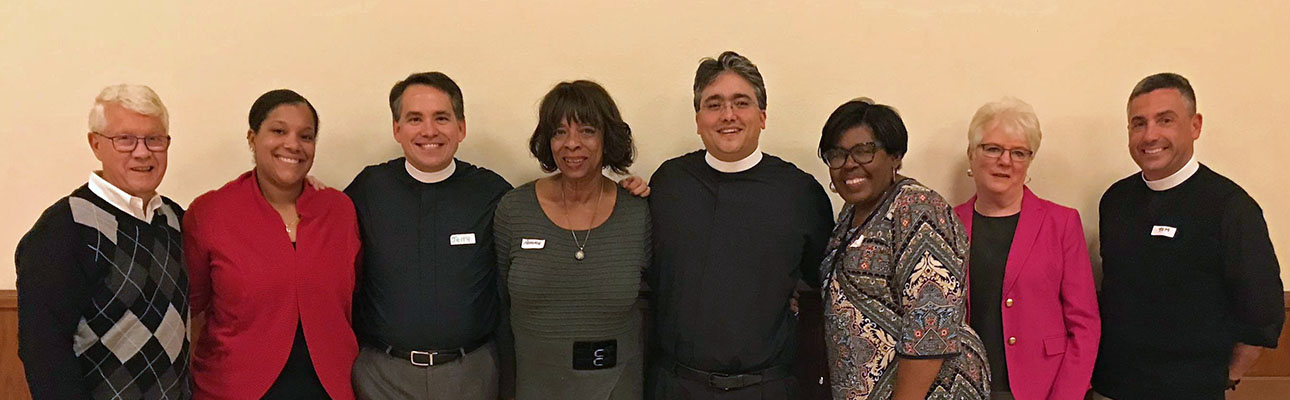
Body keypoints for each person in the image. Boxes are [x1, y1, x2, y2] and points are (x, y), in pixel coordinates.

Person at [646, 50, 834, 399]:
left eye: (741, 102)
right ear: (698, 119)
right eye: (713, 104)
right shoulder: (669, 184)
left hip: (767, 387)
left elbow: (822, 284)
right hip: (677, 386)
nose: (728, 115)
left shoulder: (799, 192)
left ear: (762, 116)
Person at [1091, 73, 1283, 400]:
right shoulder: (1115, 201)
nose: (1150, 135)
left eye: (1165, 120)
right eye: (1139, 123)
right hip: (1113, 388)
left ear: (1195, 126)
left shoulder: (1230, 207)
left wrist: (1222, 379)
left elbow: (1261, 317)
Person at [344, 72, 514, 400]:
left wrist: (621, 188)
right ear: (396, 129)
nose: (429, 131)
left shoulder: (491, 192)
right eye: (414, 119)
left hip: (471, 375)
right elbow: (320, 226)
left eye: (441, 118)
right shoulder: (369, 188)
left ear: (461, 127)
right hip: (382, 377)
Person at [16, 84, 190, 399]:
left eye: (154, 139)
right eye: (125, 139)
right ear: (95, 144)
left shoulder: (176, 221)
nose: (142, 151)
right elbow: (43, 350)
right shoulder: (64, 228)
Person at [184, 89, 361, 399]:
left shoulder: (340, 210)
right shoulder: (211, 213)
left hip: (329, 387)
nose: (292, 144)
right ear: (252, 138)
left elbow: (353, 299)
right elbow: (193, 311)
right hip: (233, 388)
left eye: (305, 136)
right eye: (278, 131)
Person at [817, 98, 990, 400]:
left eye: (864, 151)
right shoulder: (849, 214)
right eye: (837, 154)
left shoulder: (920, 210)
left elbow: (930, 330)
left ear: (895, 155)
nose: (849, 164)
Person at [494, 80, 650, 399]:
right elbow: (497, 307)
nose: (572, 144)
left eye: (587, 131)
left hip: (616, 389)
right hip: (532, 390)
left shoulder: (638, 213)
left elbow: (653, 308)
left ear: (608, 138)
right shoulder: (514, 209)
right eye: (559, 132)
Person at [953, 98, 1099, 400]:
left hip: (1043, 390)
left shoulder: (1062, 223)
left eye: (1018, 152)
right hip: (964, 389)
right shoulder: (948, 223)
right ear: (971, 154)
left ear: (1029, 160)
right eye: (992, 148)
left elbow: (1084, 324)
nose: (1005, 161)